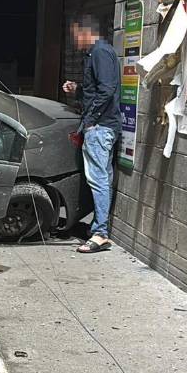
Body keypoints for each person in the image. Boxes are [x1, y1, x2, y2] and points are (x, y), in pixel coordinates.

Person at [62, 14, 121, 253]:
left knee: (98, 180)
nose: (73, 41)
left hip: (101, 127)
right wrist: (77, 90)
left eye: (75, 35)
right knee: (101, 179)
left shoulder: (100, 53)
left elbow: (107, 91)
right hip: (101, 125)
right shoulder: (96, 54)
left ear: (85, 32)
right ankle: (99, 228)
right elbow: (96, 90)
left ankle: (100, 233)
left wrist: (91, 122)